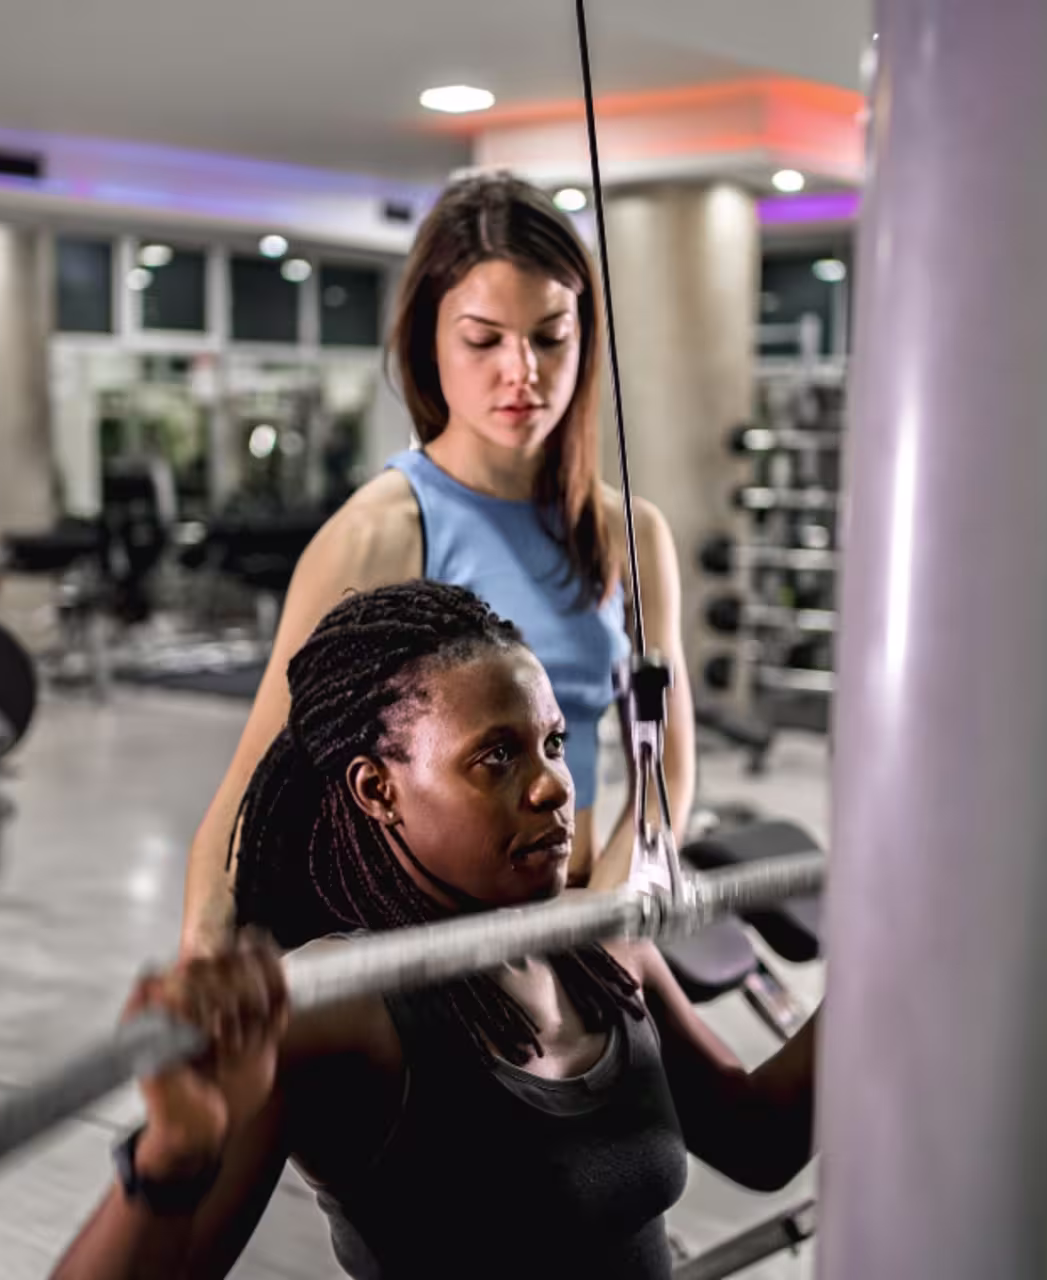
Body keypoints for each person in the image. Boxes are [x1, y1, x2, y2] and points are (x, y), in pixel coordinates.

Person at [55, 583, 814, 1280]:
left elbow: (761, 1141)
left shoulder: (605, 949)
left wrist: (907, 956)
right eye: (496, 757)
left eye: (553, 744)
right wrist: (170, 1158)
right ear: (377, 790)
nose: (553, 785)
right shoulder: (341, 1010)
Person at [180, 174, 695, 954]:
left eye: (551, 336)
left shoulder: (630, 535)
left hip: (582, 925)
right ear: (429, 339)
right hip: (434, 956)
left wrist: (605, 932)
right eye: (484, 339)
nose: (521, 371)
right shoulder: (376, 534)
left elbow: (666, 772)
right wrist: (207, 954)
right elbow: (253, 794)